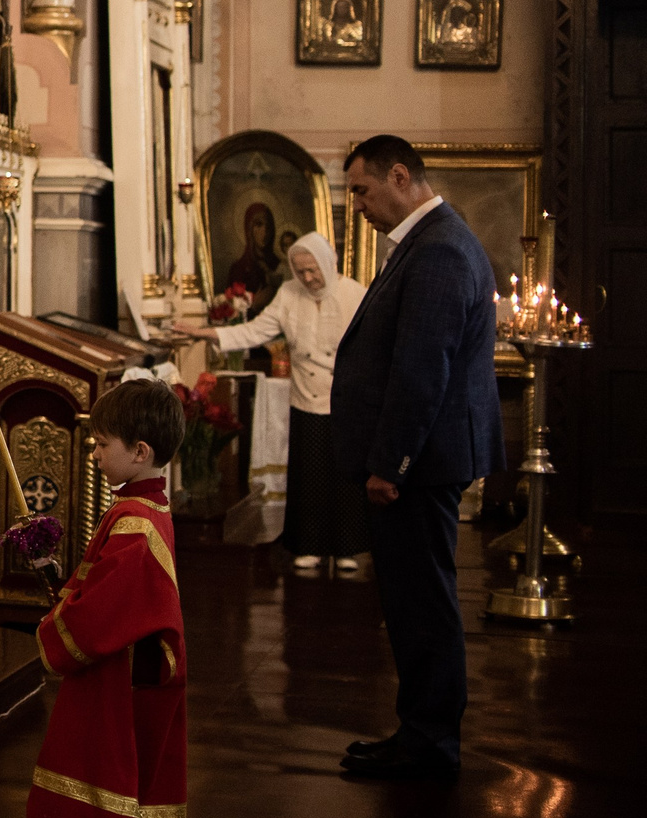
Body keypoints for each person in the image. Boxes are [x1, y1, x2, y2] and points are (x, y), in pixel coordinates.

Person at [331, 134, 502, 781]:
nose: (359, 205)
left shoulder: (438, 250)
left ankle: (430, 743)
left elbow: (420, 369)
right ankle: (418, 732)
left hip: (419, 462)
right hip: (420, 458)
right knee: (410, 599)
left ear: (399, 175)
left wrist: (390, 463)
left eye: (362, 190)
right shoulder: (430, 242)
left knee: (423, 600)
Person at [20, 379, 190, 818]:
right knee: (98, 762)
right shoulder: (139, 506)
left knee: (110, 765)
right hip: (118, 665)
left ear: (140, 452)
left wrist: (58, 626)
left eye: (100, 445)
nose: (93, 455)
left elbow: (107, 609)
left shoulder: (136, 521)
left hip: (119, 670)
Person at [190, 231, 368, 572]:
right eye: (299, 271)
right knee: (310, 474)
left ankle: (347, 547)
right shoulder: (288, 293)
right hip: (305, 399)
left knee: (344, 476)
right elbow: (256, 331)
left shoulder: (356, 294)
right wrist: (207, 333)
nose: (307, 278)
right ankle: (310, 545)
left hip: (346, 400)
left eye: (313, 270)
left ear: (329, 264)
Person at [225, 200, 281, 299]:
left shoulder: (279, 265)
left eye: (268, 225)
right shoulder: (239, 269)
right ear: (249, 229)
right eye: (259, 225)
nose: (264, 231)